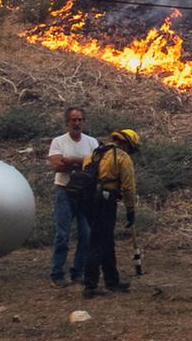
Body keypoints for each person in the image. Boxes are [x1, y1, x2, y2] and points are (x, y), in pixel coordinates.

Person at [76, 128, 141, 298]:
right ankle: (90, 285)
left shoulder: (94, 154)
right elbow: (128, 187)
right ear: (127, 144)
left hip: (88, 201)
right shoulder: (121, 157)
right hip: (105, 201)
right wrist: (130, 210)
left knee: (106, 240)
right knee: (98, 242)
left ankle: (112, 280)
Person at [45, 107, 99, 286]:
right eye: (74, 120)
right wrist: (83, 162)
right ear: (67, 122)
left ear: (84, 122)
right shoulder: (58, 141)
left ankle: (78, 272)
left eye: (80, 120)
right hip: (64, 191)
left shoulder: (92, 143)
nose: (77, 123)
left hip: (85, 194)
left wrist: (71, 161)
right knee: (63, 234)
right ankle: (57, 273)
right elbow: (57, 166)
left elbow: (96, 168)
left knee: (86, 234)